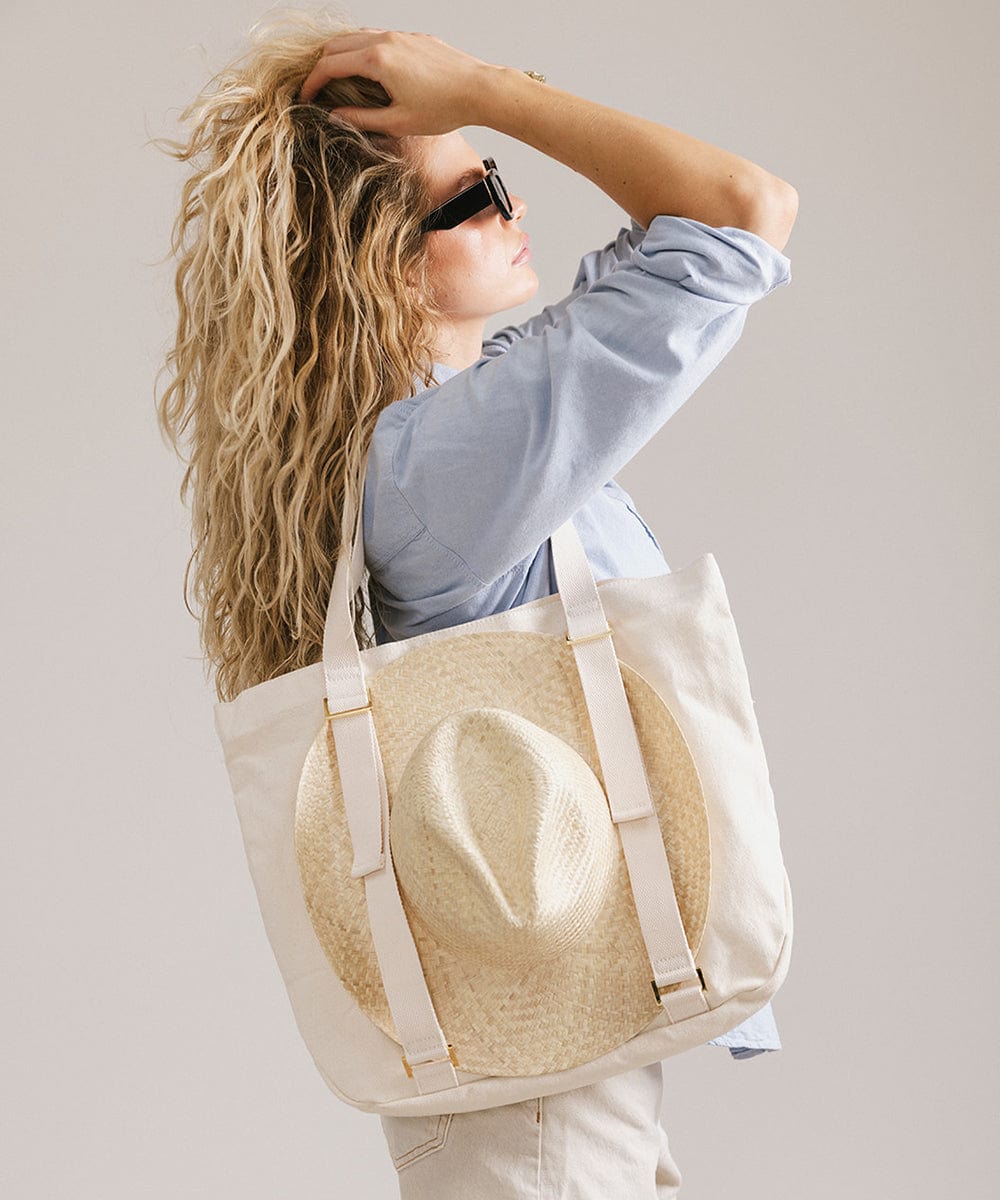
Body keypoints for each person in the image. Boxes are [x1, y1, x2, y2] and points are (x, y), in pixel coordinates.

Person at [156, 12, 796, 1197]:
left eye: (495, 178)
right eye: (468, 198)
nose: (510, 204)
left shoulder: (437, 444)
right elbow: (734, 214)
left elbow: (693, 227)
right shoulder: (440, 470)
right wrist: (490, 92)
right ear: (380, 260)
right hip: (541, 1074)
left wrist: (471, 109)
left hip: (546, 1040)